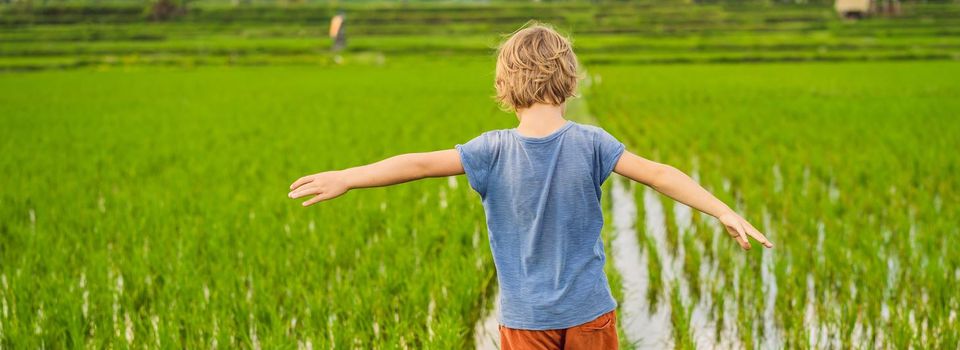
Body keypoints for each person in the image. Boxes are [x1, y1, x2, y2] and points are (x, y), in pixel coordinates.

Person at [288, 22, 773, 350]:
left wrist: (347, 178)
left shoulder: (490, 149)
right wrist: (722, 210)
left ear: (504, 85)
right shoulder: (592, 142)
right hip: (591, 314)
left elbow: (416, 164)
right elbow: (661, 174)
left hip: (524, 319)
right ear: (569, 79)